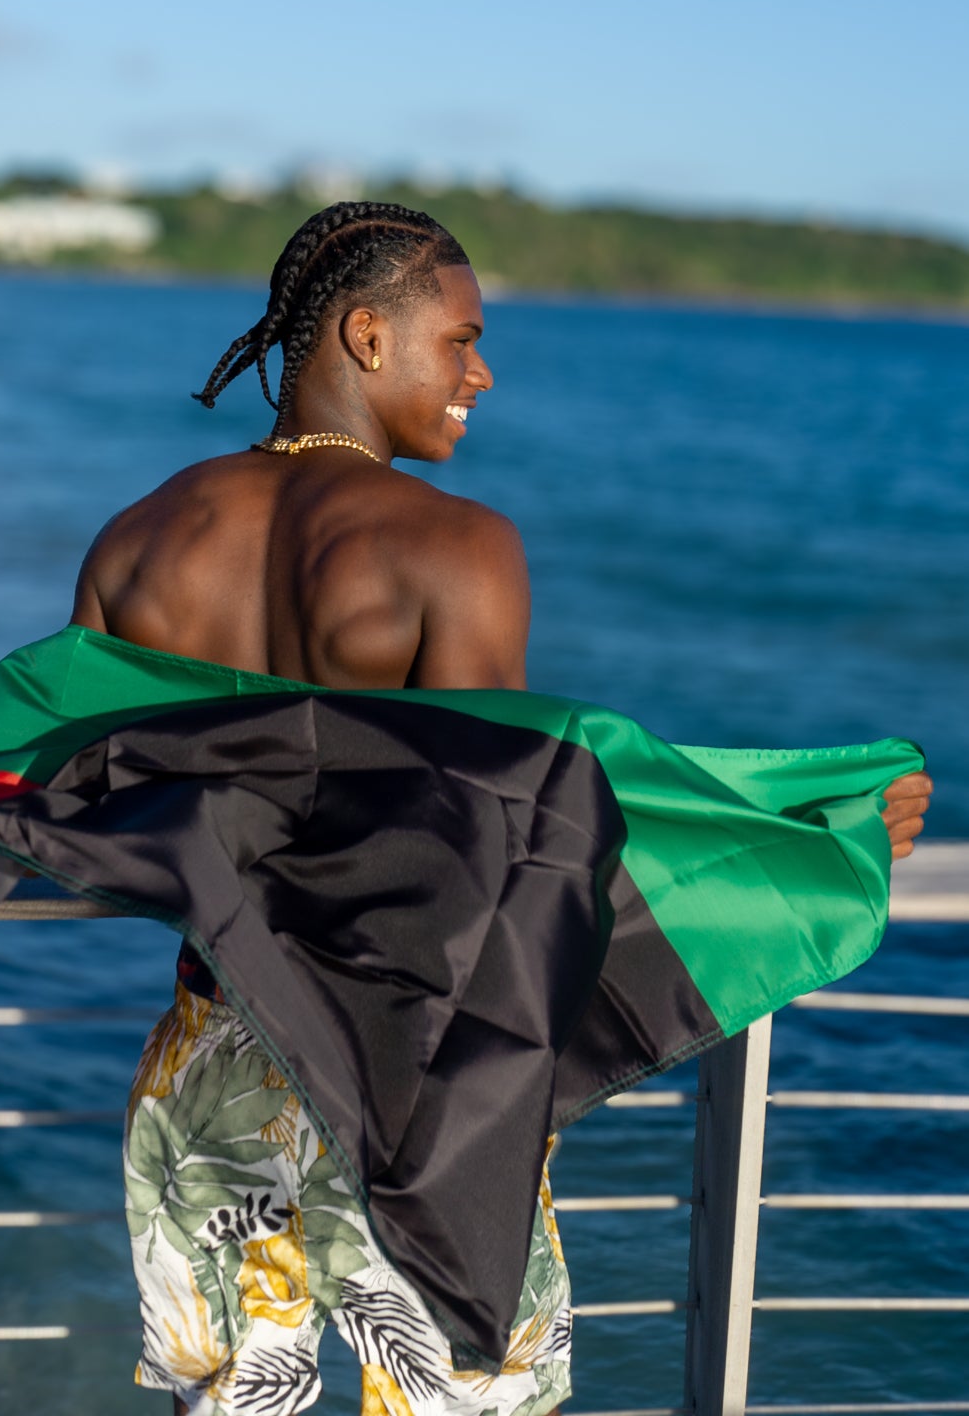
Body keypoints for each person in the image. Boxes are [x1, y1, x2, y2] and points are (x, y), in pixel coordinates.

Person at [69, 200, 933, 1416]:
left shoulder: (135, 544)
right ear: (369, 336)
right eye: (462, 337)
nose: (484, 370)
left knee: (228, 1404)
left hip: (214, 1054)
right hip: (406, 1082)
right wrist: (796, 839)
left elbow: (98, 806)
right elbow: (492, 851)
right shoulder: (457, 550)